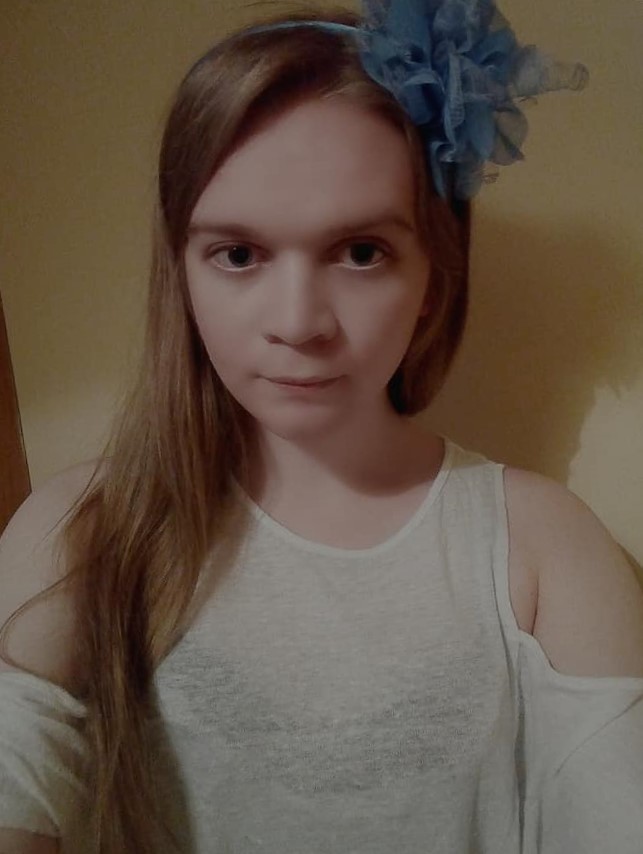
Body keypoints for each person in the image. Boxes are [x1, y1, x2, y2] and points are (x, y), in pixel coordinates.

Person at [1, 2, 642, 852]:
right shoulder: (79, 533)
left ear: (434, 273)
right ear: (181, 270)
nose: (298, 323)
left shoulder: (543, 547)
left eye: (361, 252)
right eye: (238, 254)